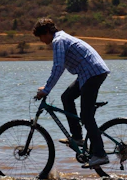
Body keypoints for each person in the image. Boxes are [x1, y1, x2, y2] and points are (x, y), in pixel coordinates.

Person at [33, 17, 110, 169]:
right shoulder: (61, 38)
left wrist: (47, 89)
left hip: (92, 73)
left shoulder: (58, 41)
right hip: (87, 74)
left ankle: (100, 154)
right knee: (66, 97)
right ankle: (77, 137)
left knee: (86, 116)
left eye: (41, 37)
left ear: (47, 32)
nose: (41, 41)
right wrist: (47, 87)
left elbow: (58, 67)